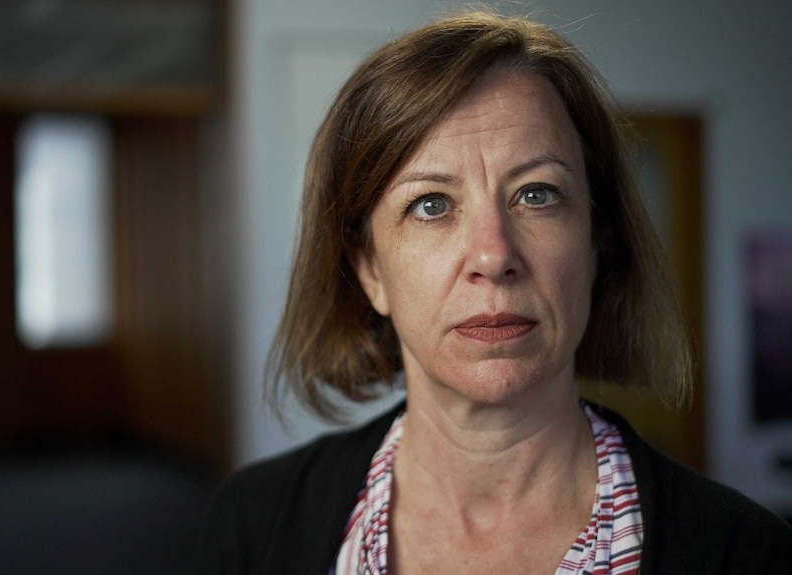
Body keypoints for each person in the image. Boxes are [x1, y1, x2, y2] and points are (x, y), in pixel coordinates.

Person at [192, 11, 792, 575]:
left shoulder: (747, 554)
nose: (494, 255)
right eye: (431, 205)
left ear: (594, 244)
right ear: (370, 270)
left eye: (537, 194)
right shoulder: (252, 525)